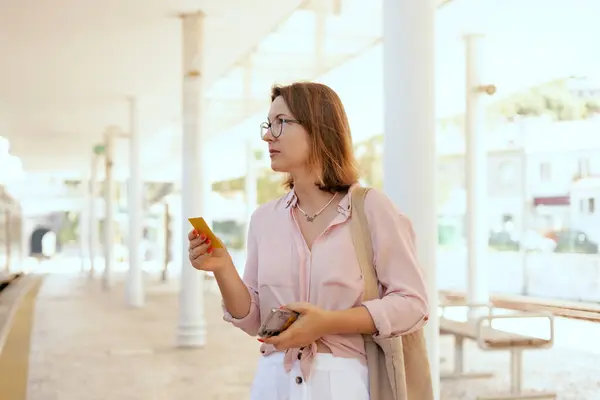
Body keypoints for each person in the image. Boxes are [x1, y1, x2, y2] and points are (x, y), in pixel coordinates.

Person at [187, 82, 429, 400]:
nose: (267, 135)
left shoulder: (370, 208)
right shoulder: (264, 219)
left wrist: (327, 323)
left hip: (345, 385)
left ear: (319, 127)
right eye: (267, 124)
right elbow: (254, 320)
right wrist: (222, 267)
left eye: (281, 123)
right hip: (274, 382)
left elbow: (413, 304)